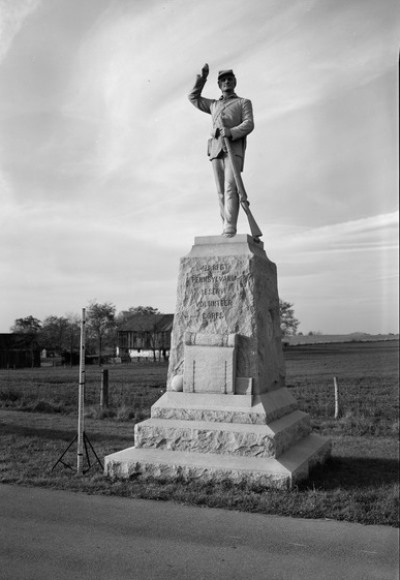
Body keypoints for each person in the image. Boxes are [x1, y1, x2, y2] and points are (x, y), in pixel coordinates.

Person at [188, 63, 254, 237]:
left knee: (231, 188)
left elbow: (249, 123)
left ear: (235, 82)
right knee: (220, 191)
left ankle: (230, 228)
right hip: (216, 149)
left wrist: (231, 132)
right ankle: (225, 223)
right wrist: (201, 79)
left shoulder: (243, 102)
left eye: (229, 79)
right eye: (223, 80)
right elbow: (193, 97)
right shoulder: (213, 104)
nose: (226, 82)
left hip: (234, 149)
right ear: (219, 84)